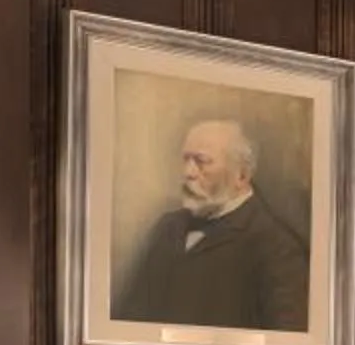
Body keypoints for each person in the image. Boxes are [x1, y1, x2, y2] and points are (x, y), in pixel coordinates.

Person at [113, 118, 310, 331]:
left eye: (201, 161)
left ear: (241, 176)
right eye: (186, 160)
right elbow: (127, 318)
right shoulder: (167, 228)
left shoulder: (278, 249)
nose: (188, 172)